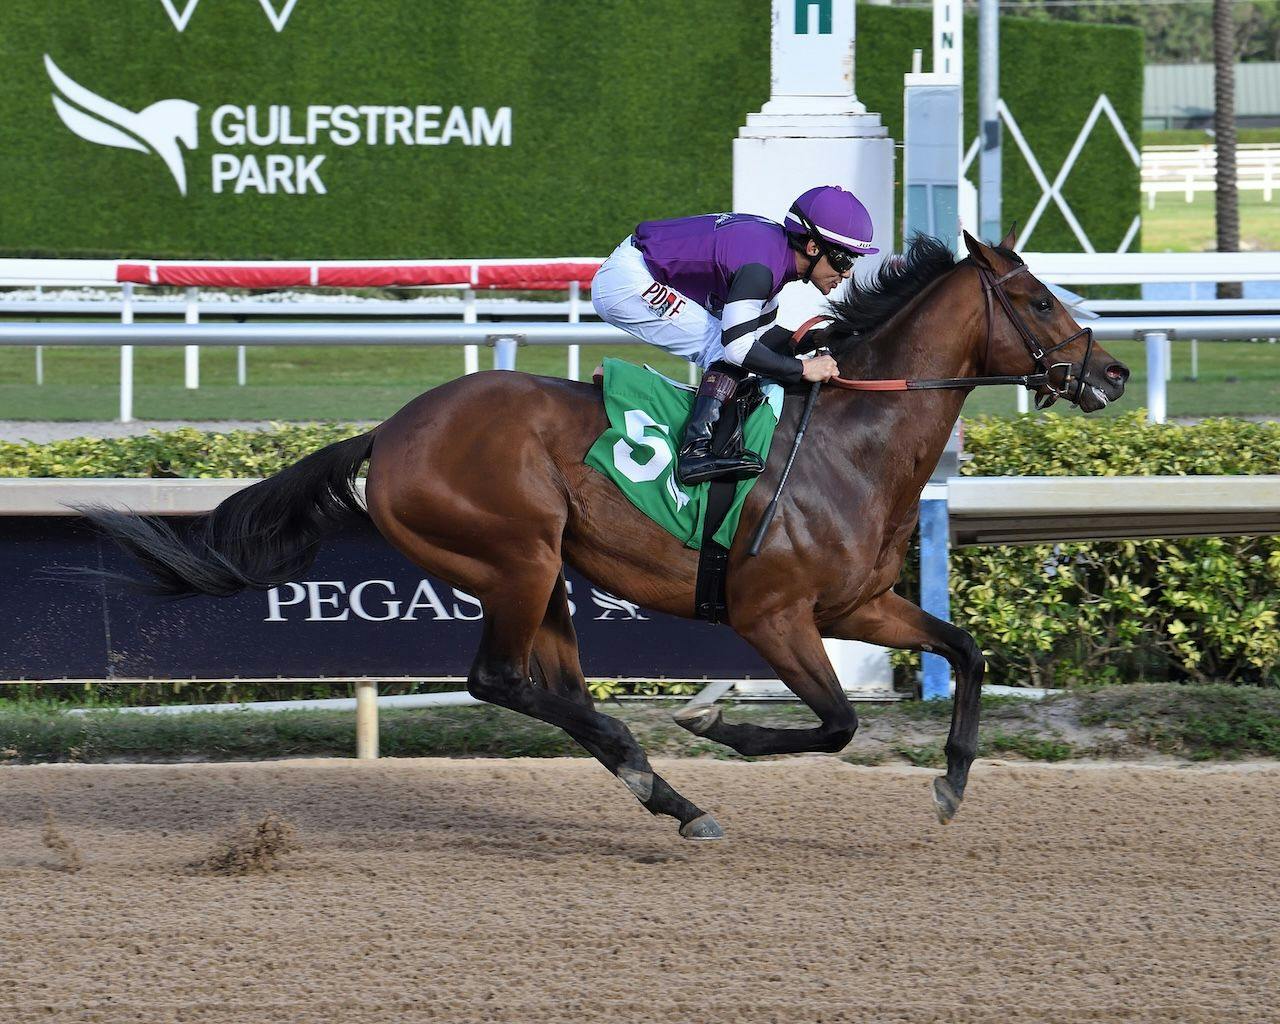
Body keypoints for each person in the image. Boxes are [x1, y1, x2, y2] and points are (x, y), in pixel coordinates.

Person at [590, 185, 878, 485]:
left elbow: (763, 337)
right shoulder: (761, 269)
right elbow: (738, 350)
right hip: (626, 283)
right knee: (723, 347)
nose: (847, 274)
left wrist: (817, 338)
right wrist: (804, 369)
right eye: (844, 260)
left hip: (642, 265)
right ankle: (695, 452)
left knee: (745, 337)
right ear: (812, 247)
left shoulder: (773, 256)